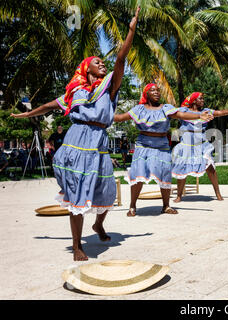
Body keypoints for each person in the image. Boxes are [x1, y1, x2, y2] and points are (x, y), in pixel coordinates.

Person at [11, 7, 141, 261]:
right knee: (78, 192)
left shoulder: (108, 90)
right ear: (87, 69)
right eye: (97, 63)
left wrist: (131, 32)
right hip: (77, 142)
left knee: (106, 191)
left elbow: (120, 60)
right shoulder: (75, 93)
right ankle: (77, 245)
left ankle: (99, 224)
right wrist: (27, 115)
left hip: (99, 142)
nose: (102, 64)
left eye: (103, 62)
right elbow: (49, 105)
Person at [113, 84, 214, 217]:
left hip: (162, 146)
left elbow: (181, 114)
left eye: (158, 91)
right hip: (143, 146)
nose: (156, 92)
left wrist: (199, 115)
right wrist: (101, 115)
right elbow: (120, 118)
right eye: (152, 90)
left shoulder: (166, 108)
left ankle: (166, 206)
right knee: (138, 174)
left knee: (165, 174)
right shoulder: (139, 110)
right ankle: (132, 206)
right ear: (146, 94)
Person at [171, 92, 228, 202]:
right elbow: (172, 114)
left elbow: (219, 112)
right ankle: (179, 196)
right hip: (187, 143)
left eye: (203, 99)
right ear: (193, 101)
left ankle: (217, 193)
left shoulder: (205, 111)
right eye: (200, 98)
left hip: (201, 143)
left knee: (210, 168)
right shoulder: (184, 111)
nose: (203, 100)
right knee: (183, 168)